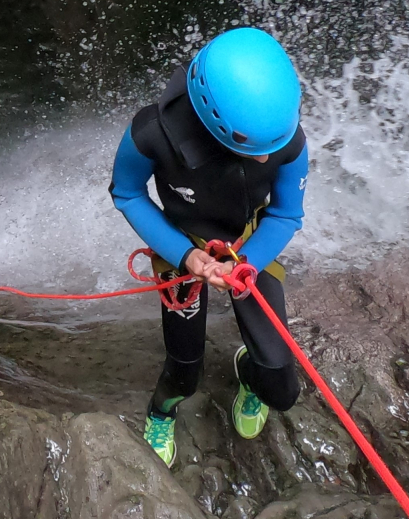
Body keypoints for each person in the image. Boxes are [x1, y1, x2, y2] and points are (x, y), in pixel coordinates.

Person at [109, 26, 309, 467]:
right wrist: (184, 254)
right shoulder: (151, 134)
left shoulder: (283, 137)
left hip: (249, 248)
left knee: (282, 386)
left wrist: (248, 265)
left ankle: (248, 372)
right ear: (216, 121)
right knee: (185, 367)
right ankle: (162, 410)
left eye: (271, 147)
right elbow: (127, 192)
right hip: (183, 247)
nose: (265, 160)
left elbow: (285, 215)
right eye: (254, 149)